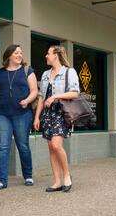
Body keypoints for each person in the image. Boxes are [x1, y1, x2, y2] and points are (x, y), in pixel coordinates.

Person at [0, 44, 38, 190]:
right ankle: (2, 180)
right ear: (9, 55)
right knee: (3, 146)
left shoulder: (27, 71)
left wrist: (27, 101)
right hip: (2, 114)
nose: (19, 55)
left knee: (22, 145)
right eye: (16, 53)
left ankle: (28, 175)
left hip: (22, 114)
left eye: (21, 53)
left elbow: (34, 91)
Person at [33, 45, 80, 193]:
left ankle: (67, 176)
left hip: (61, 113)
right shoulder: (46, 74)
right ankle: (57, 181)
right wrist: (37, 117)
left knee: (56, 145)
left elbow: (74, 93)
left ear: (56, 55)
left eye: (48, 54)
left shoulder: (69, 72)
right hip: (48, 114)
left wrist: (55, 96)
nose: (46, 56)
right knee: (51, 149)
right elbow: (41, 97)